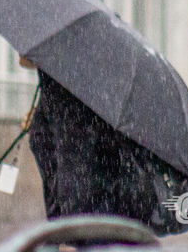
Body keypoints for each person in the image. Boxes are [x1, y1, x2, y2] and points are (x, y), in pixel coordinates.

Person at [20, 57, 159, 228]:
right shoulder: (56, 83)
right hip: (90, 219)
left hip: (90, 225)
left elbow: (74, 169)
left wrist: (71, 236)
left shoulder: (68, 87)